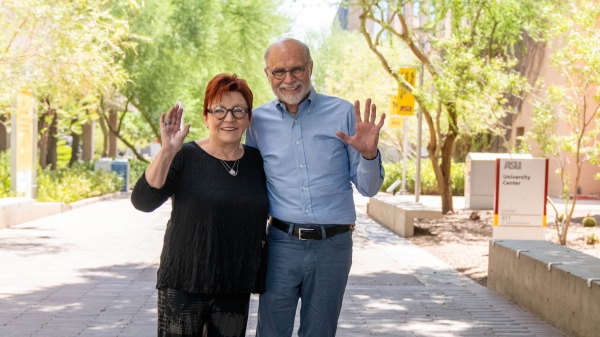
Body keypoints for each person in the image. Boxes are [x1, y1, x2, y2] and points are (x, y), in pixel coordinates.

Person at [246, 38, 385, 337]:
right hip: (281, 243)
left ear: (310, 68)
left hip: (333, 247)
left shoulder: (344, 113)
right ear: (267, 75)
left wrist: (369, 155)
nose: (289, 79)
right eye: (279, 72)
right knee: (270, 332)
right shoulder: (256, 122)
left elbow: (368, 188)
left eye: (297, 69)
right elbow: (250, 184)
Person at [131, 73, 270, 337]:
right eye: (219, 110)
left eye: (238, 110)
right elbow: (143, 201)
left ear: (248, 118)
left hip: (234, 287)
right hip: (185, 282)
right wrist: (167, 151)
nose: (229, 118)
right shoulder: (185, 156)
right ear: (206, 117)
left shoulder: (258, 162)